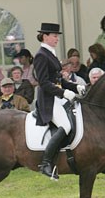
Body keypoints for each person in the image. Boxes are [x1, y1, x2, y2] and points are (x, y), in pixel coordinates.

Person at [33, 22, 85, 179]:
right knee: (66, 125)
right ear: (45, 36)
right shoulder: (41, 55)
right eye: (54, 36)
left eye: (57, 36)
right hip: (48, 100)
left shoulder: (51, 53)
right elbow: (43, 83)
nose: (57, 39)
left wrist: (76, 88)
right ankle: (46, 163)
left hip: (57, 96)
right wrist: (64, 93)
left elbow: (58, 80)